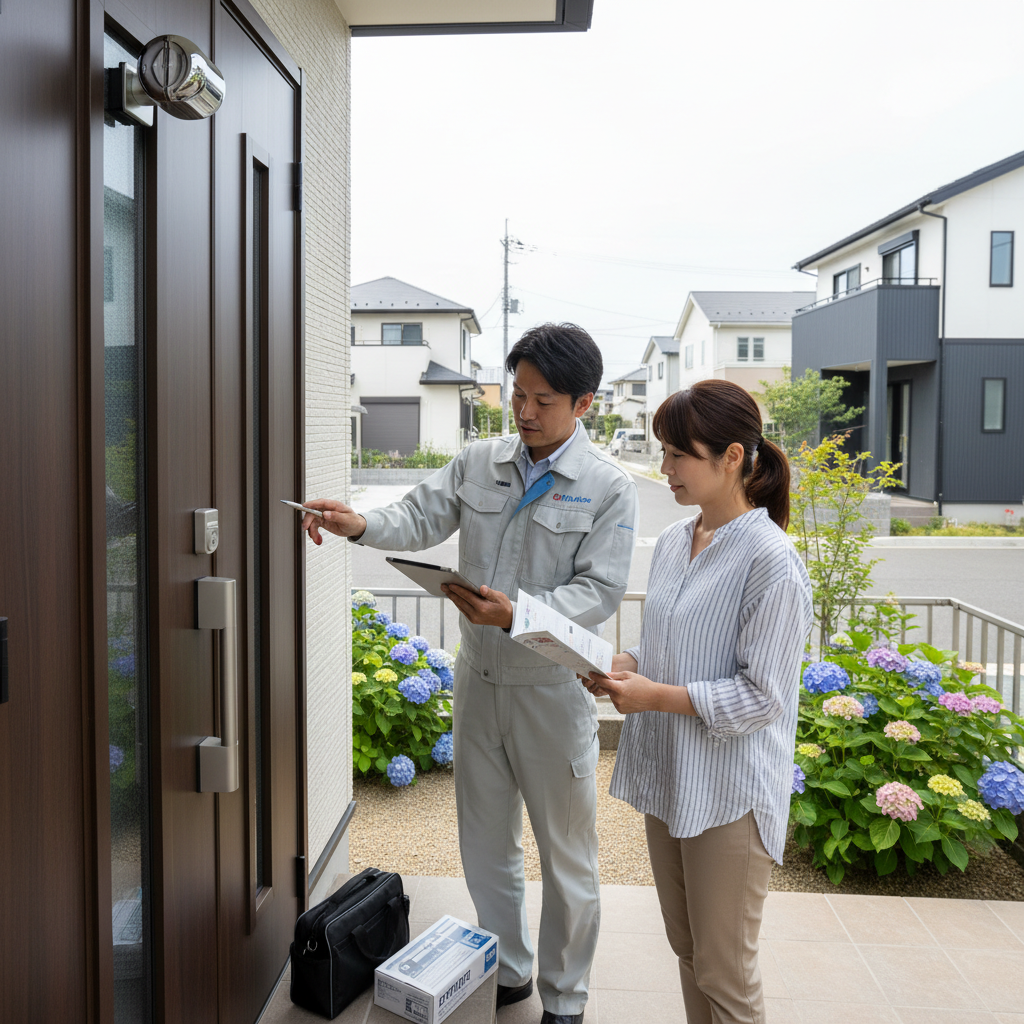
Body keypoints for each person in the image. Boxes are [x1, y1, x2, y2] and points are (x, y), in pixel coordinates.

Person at [301, 323, 639, 1024]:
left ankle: (566, 1001)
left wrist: (516, 615)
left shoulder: (608, 487)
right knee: (486, 846)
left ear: (585, 404)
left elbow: (599, 592)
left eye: (543, 400)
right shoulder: (480, 462)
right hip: (477, 685)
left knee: (568, 859)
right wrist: (357, 522)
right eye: (517, 394)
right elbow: (418, 515)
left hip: (551, 691)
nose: (524, 412)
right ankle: (511, 972)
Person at [583, 379, 812, 1024]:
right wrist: (618, 666)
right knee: (688, 951)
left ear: (732, 457)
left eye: (678, 455)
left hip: (730, 793)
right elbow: (662, 652)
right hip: (671, 778)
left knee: (726, 971)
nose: (665, 469)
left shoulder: (772, 559)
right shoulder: (677, 542)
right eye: (663, 452)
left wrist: (652, 695)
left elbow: (763, 696)